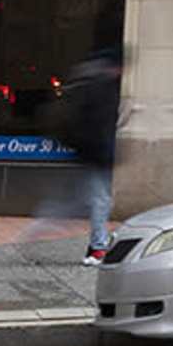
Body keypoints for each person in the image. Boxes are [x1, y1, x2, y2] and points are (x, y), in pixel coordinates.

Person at [59, 50, 122, 252]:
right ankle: (97, 247)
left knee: (92, 200)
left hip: (91, 153)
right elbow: (97, 124)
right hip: (94, 154)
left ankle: (97, 243)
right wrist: (102, 151)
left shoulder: (92, 82)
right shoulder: (99, 85)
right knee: (98, 200)